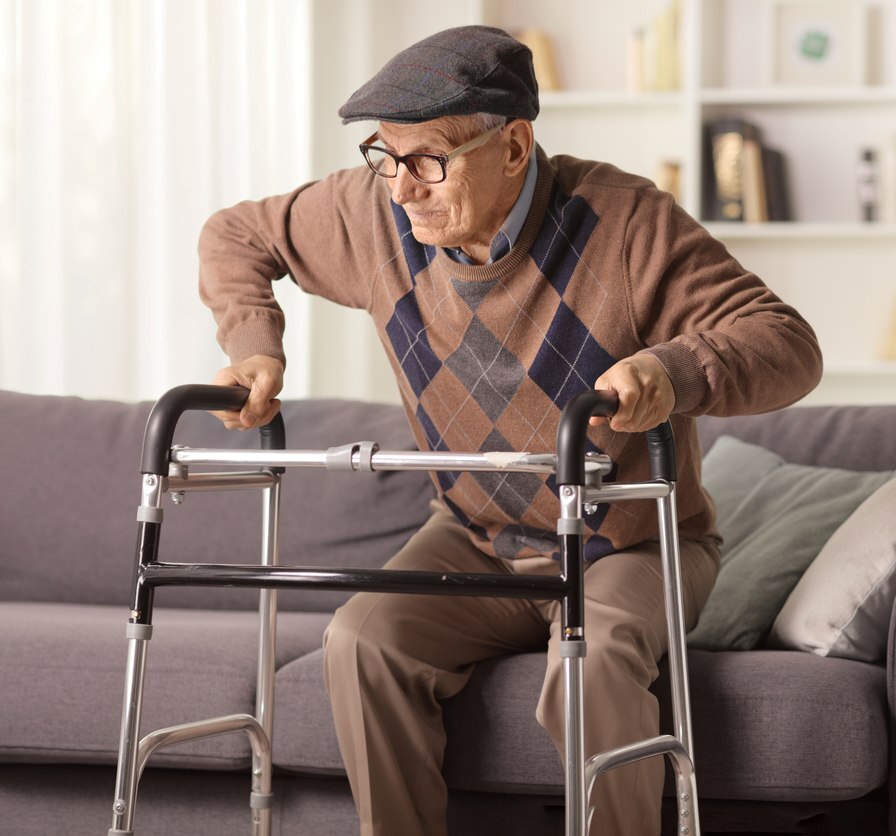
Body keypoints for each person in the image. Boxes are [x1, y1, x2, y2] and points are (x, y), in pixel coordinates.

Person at [199, 24, 821, 836]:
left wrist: (671, 371)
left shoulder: (624, 223)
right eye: (382, 157)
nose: (400, 187)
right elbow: (235, 234)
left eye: (426, 161)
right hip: (475, 538)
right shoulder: (376, 218)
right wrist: (253, 349)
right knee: (360, 642)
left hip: (624, 543)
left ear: (515, 146)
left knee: (589, 666)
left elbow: (787, 344)